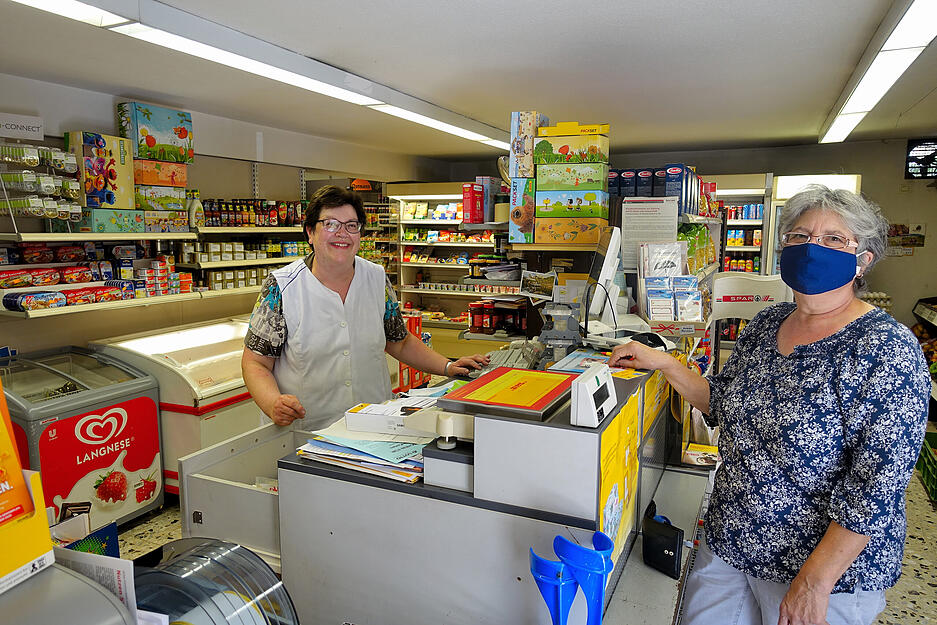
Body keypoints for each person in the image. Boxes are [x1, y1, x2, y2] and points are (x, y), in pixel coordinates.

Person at [609, 185, 929, 625]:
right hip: (732, 541)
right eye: (799, 236)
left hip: (820, 571)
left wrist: (813, 583)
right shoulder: (767, 323)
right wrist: (665, 362)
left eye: (834, 239)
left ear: (863, 259)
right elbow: (721, 401)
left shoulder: (886, 348)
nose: (812, 248)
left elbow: (877, 487)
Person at [242, 185, 489, 430]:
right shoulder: (282, 287)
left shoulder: (376, 278)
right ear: (310, 232)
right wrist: (273, 402)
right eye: (330, 224)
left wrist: (447, 366)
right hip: (308, 434)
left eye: (351, 225)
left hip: (375, 427)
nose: (342, 233)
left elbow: (398, 341)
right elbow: (255, 363)